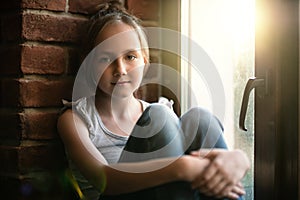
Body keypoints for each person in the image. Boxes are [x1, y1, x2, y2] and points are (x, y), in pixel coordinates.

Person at [57, 1, 250, 200]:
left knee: (199, 119)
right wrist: (182, 167)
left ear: (145, 63)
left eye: (130, 57)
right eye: (105, 59)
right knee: (159, 116)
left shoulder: (160, 112)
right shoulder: (76, 118)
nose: (121, 70)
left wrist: (240, 159)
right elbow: (104, 181)